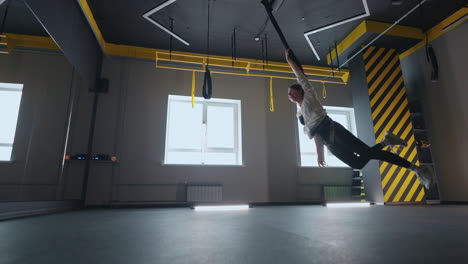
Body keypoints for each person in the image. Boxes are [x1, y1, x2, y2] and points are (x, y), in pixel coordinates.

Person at [285, 48, 433, 189]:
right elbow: (315, 134)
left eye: (291, 91)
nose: (289, 94)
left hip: (333, 130)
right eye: (288, 93)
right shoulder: (299, 113)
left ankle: (415, 168)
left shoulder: (309, 97)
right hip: (329, 142)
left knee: (367, 153)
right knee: (358, 162)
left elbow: (301, 76)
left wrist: (290, 60)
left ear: (300, 91)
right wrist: (320, 154)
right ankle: (390, 145)